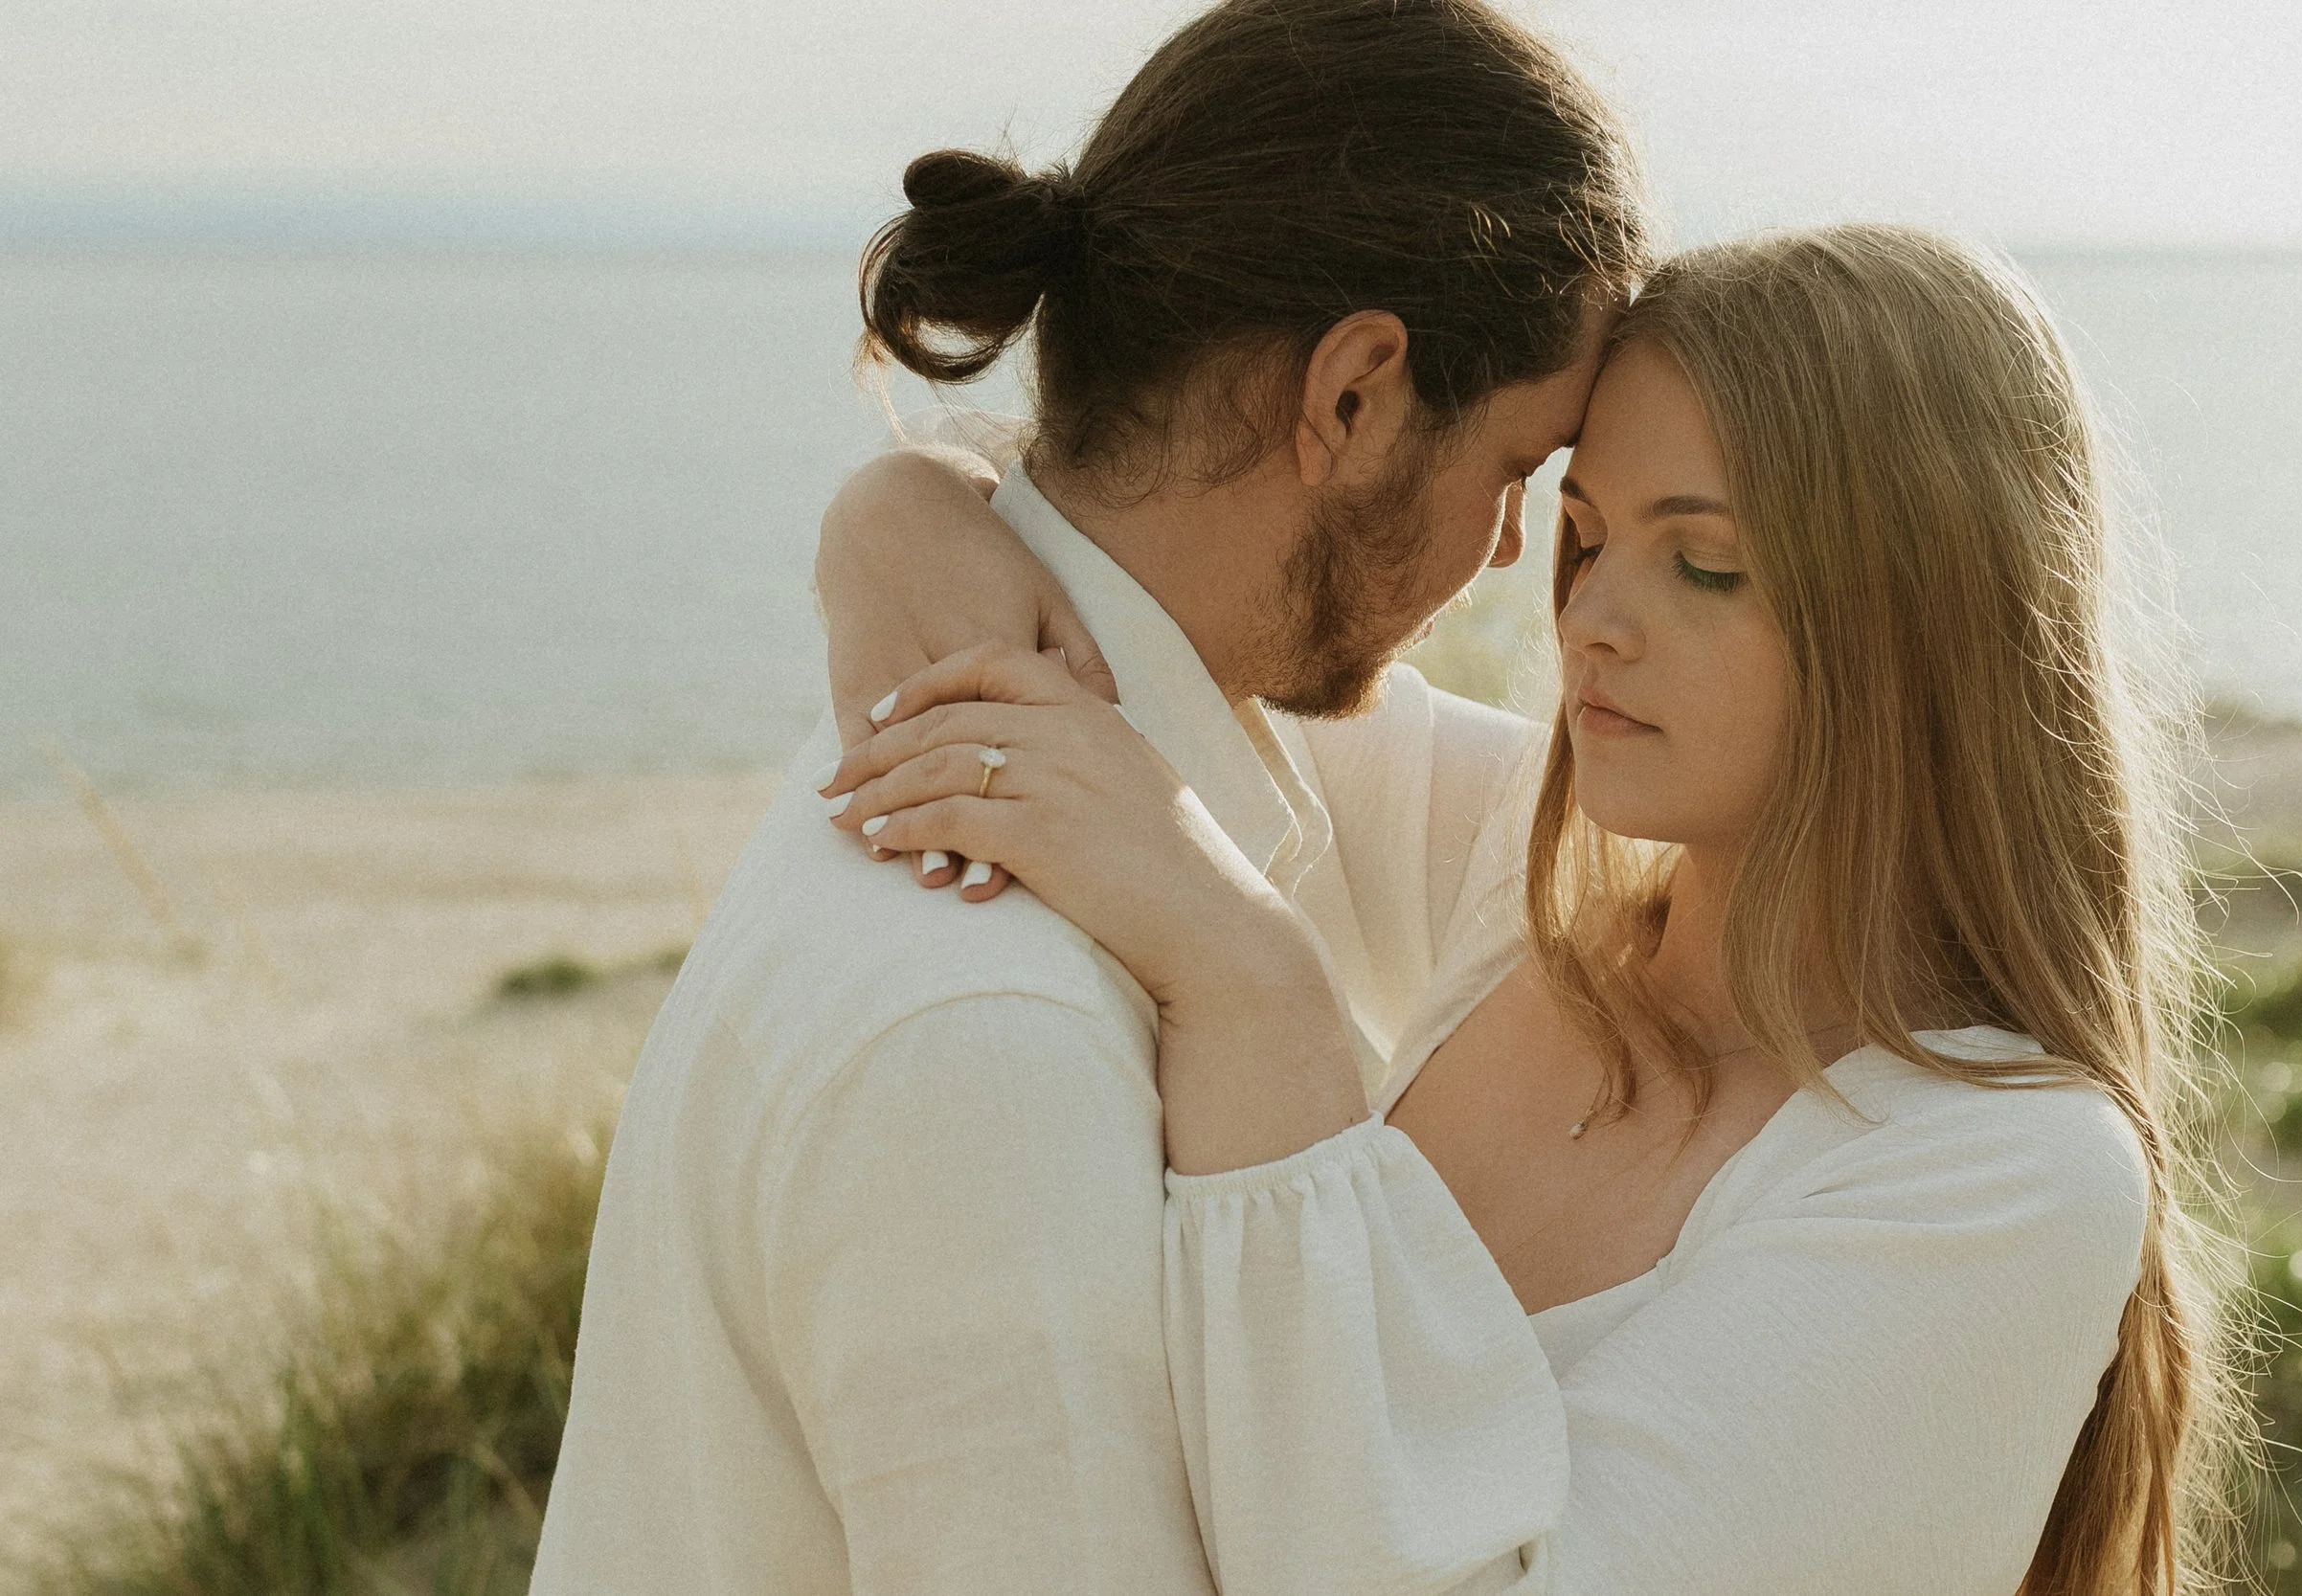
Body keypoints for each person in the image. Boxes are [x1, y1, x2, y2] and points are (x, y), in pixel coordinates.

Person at [811, 226, 2249, 1593]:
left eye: (1704, 560)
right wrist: (905, 508)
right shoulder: (1529, 872)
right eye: (1584, 532)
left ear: (1924, 611)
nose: (1593, 619)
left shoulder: (2004, 1169)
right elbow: (1151, 591)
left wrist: (1260, 994)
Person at [529, 1, 1647, 1591]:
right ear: (1351, 397)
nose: (1506, 552)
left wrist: (913, 486)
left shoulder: (1054, 754)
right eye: (1518, 470)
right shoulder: (997, 1033)